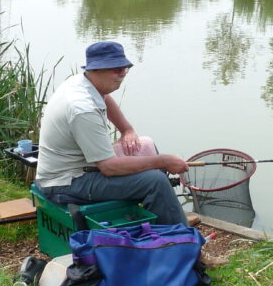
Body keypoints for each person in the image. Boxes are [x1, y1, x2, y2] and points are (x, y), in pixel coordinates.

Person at [34, 41, 189, 225]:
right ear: (96, 70)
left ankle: (155, 227)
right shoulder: (82, 109)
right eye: (116, 69)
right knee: (156, 181)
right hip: (65, 182)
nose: (122, 74)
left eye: (125, 68)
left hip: (81, 168)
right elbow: (108, 167)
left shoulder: (83, 82)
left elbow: (105, 98)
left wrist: (127, 130)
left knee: (146, 145)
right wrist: (163, 161)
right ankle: (181, 241)